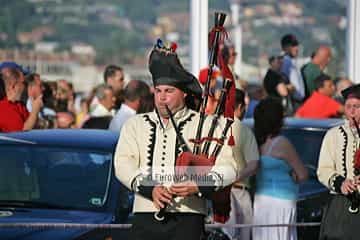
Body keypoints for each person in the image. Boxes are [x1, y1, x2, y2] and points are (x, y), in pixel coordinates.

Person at [114, 46, 237, 240]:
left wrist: (197, 185)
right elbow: (122, 165)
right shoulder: (134, 125)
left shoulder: (206, 124)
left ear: (184, 93)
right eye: (158, 91)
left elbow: (229, 169)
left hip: (189, 219)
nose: (162, 97)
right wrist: (150, 189)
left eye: (169, 91)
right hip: (145, 217)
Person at [252, 97, 308, 240]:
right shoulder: (282, 143)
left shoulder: (256, 142)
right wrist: (292, 175)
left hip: (260, 200)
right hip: (282, 200)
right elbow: (302, 175)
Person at [317, 84, 360, 240]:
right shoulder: (333, 135)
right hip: (340, 205)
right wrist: (341, 183)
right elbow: (324, 169)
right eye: (348, 106)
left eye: (356, 106)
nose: (352, 111)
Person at [222, 88, 260, 240]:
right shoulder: (244, 131)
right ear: (239, 107)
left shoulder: (210, 128)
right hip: (238, 191)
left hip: (215, 192)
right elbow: (253, 165)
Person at [0, 64, 42, 132]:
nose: (26, 87)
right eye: (23, 83)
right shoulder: (4, 107)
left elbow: (34, 125)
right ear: (13, 87)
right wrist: (35, 110)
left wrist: (35, 111)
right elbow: (21, 134)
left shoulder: (19, 105)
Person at [280, 34, 305, 105]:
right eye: (293, 45)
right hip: (292, 102)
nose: (296, 48)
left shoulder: (291, 61)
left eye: (297, 45)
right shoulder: (285, 61)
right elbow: (283, 82)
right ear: (285, 47)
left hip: (298, 102)